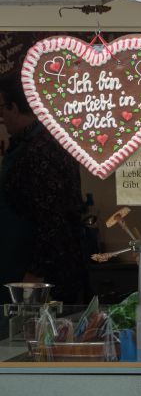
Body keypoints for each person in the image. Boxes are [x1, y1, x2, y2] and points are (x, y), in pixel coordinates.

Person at [0, 74, 88, 304]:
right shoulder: (26, 144)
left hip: (40, 280)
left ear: (15, 107)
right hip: (21, 268)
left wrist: (35, 274)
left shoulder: (42, 149)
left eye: (2, 108)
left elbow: (53, 218)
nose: (1, 116)